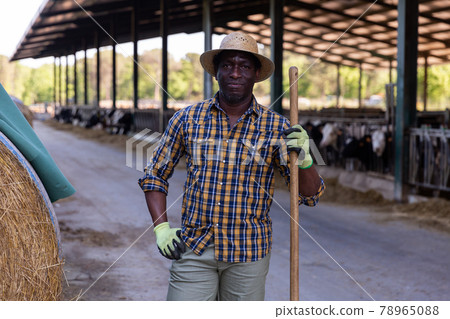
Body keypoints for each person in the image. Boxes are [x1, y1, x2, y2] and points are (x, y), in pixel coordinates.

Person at [138, 31, 325, 301]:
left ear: (256, 73)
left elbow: (309, 196)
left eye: (244, 66)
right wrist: (161, 229)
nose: (235, 73)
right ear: (216, 72)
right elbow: (155, 175)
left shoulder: (278, 128)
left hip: (248, 253)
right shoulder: (187, 119)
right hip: (194, 248)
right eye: (227, 65)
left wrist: (306, 160)